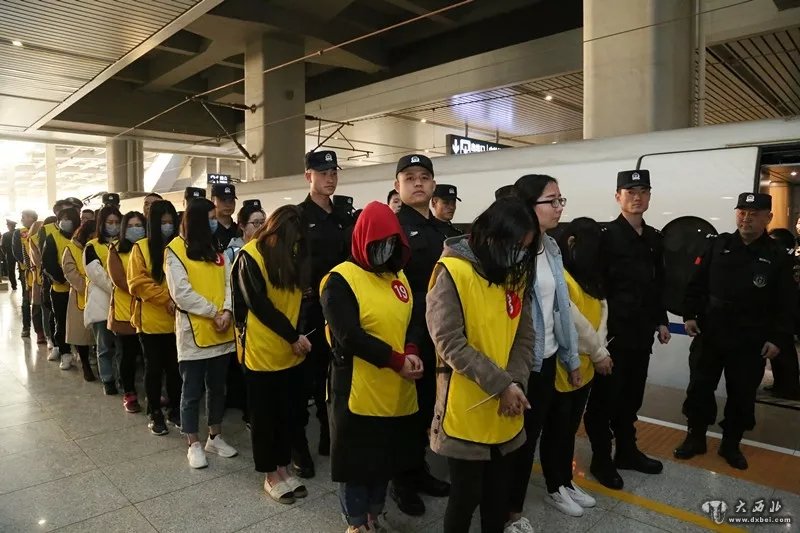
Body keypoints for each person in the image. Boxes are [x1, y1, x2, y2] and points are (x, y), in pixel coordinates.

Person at [427, 197, 536, 533]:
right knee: (465, 496)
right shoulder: (452, 271)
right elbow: (449, 341)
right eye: (515, 246)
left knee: (497, 496)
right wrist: (502, 385)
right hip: (466, 406)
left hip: (506, 405)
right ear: (492, 236)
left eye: (525, 249)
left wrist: (514, 384)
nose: (520, 254)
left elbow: (524, 337)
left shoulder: (513, 275)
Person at [675, 193, 795, 469]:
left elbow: (787, 302)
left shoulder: (776, 255)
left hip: (750, 337)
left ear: (768, 218)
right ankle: (695, 437)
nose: (746, 218)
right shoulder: (719, 245)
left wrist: (778, 338)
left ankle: (731, 444)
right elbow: (696, 283)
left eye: (754, 213)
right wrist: (690, 315)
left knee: (742, 393)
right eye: (742, 212)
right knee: (700, 387)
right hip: (711, 331)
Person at [320, 201, 420, 533]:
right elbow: (349, 335)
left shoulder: (398, 275)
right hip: (357, 388)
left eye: (391, 243)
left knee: (383, 460)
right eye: (378, 244)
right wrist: (396, 360)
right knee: (356, 464)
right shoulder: (339, 280)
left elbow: (412, 319)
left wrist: (411, 349)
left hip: (394, 389)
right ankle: (356, 523)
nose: (384, 251)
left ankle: (374, 516)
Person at [583, 169, 670, 489]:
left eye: (643, 191)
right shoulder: (605, 236)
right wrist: (596, 341)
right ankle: (601, 458)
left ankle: (627, 451)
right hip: (612, 336)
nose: (637, 197)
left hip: (640, 335)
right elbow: (593, 288)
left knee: (631, 398)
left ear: (649, 197)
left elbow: (657, 284)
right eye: (630, 192)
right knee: (604, 401)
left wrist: (661, 320)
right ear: (618, 197)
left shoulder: (654, 238)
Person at [505, 174, 581, 532]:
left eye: (560, 199)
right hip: (522, 364)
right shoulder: (512, 252)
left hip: (547, 358)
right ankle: (508, 513)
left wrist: (571, 357)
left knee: (534, 435)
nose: (559, 207)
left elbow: (560, 308)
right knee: (516, 442)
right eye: (552, 200)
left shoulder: (550, 246)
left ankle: (525, 502)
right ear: (527, 206)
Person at [232, 205, 311, 503]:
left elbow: (297, 302)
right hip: (263, 351)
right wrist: (293, 336)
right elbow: (259, 305)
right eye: (291, 241)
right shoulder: (249, 256)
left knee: (286, 415)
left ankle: (283, 467)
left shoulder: (292, 255)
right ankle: (270, 475)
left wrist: (298, 335)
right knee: (265, 418)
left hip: (290, 350)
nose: (294, 247)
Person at [540, 218, 613, 517]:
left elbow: (602, 311)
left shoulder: (591, 277)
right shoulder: (563, 277)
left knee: (570, 429)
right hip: (565, 366)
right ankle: (554, 487)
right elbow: (572, 323)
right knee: (557, 430)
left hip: (588, 365)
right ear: (572, 244)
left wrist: (599, 350)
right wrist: (598, 351)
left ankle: (566, 481)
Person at [392, 153, 450, 516]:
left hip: (438, 335)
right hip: (406, 333)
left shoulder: (442, 230)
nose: (418, 182)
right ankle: (402, 482)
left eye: (424, 177)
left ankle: (420, 469)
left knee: (428, 405)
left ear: (433, 185)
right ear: (397, 185)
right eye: (410, 177)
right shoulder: (392, 228)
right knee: (406, 412)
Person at [295, 150, 356, 478]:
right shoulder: (298, 216)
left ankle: (327, 436)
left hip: (342, 309)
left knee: (334, 378)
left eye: (334, 172)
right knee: (307, 380)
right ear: (309, 176)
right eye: (323, 173)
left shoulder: (344, 215)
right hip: (311, 312)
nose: (330, 178)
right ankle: (299, 449)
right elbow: (290, 259)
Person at [165, 197, 238, 469]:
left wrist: (227, 311)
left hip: (221, 331)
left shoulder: (216, 249)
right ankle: (193, 442)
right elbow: (181, 293)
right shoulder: (174, 251)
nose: (214, 222)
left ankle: (215, 436)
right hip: (193, 333)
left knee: (218, 388)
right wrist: (213, 312)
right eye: (210, 218)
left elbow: (229, 283)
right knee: (192, 391)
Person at [127, 200, 182, 435]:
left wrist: (178, 301)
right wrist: (167, 299)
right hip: (150, 322)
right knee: (154, 369)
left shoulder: (180, 246)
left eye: (171, 222)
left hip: (177, 321)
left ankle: (175, 409)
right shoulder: (140, 248)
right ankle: (155, 412)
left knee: (175, 369)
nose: (167, 227)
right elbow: (138, 283)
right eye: (163, 223)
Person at [108, 211, 146, 413]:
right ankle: (129, 392)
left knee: (149, 356)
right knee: (127, 356)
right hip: (125, 312)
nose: (135, 229)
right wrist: (145, 291)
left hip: (149, 311)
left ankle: (152, 391)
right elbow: (119, 279)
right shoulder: (116, 249)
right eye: (130, 226)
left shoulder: (150, 247)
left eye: (138, 225)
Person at [84, 205, 123, 395]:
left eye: (117, 222)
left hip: (124, 304)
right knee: (104, 346)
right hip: (102, 302)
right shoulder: (91, 246)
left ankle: (123, 379)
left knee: (122, 348)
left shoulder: (126, 245)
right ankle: (108, 379)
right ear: (102, 224)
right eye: (110, 222)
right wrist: (119, 287)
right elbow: (96, 274)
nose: (114, 226)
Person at [42, 206, 82, 371]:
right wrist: (65, 279)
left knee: (80, 323)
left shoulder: (81, 237)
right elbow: (48, 263)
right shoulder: (52, 237)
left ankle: (82, 352)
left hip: (80, 290)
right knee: (61, 321)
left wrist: (77, 281)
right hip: (61, 289)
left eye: (68, 219)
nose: (65, 222)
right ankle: (65, 352)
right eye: (62, 219)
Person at [61, 219, 97, 380]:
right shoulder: (71, 248)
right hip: (80, 295)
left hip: (101, 294)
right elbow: (70, 272)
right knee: (81, 333)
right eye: (92, 235)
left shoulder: (100, 246)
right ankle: (85, 364)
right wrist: (86, 288)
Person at [766, 228, 800, 400]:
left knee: (785, 350)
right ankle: (780, 383)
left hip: (789, 314)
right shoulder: (778, 261)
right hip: (778, 313)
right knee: (777, 352)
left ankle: (790, 388)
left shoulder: (790, 264)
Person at [13, 210, 45, 342]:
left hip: (41, 271)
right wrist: (28, 265)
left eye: (24, 217)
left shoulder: (41, 229)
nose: (22, 219)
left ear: (32, 218)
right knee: (27, 300)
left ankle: (44, 329)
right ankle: (26, 327)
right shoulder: (19, 233)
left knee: (42, 301)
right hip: (26, 272)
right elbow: (16, 251)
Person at [223, 199, 265, 264]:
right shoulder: (232, 253)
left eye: (263, 222)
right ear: (242, 226)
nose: (261, 227)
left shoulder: (267, 249)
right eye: (256, 223)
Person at [211, 184, 241, 250]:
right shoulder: (208, 230)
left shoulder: (240, 230)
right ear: (213, 200)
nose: (228, 205)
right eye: (223, 200)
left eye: (231, 200)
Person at [2, 219, 17, 290]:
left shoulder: (5, 235)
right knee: (22, 270)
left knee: (11, 271)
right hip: (19, 254)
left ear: (10, 226)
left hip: (9, 255)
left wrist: (5, 253)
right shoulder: (19, 232)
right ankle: (23, 283)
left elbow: (2, 246)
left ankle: (14, 285)